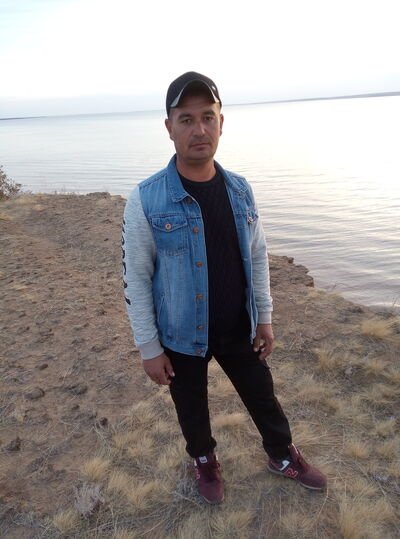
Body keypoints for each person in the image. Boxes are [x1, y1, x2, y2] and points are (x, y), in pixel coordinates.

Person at [122, 72, 327, 504]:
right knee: (191, 406)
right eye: (186, 119)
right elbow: (136, 277)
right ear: (169, 127)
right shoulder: (146, 199)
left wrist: (264, 318)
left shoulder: (239, 189)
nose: (199, 129)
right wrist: (149, 347)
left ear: (221, 123)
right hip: (180, 332)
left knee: (262, 396)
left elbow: (257, 255)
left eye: (207, 117)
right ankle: (203, 460)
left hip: (238, 325)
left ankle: (281, 454)